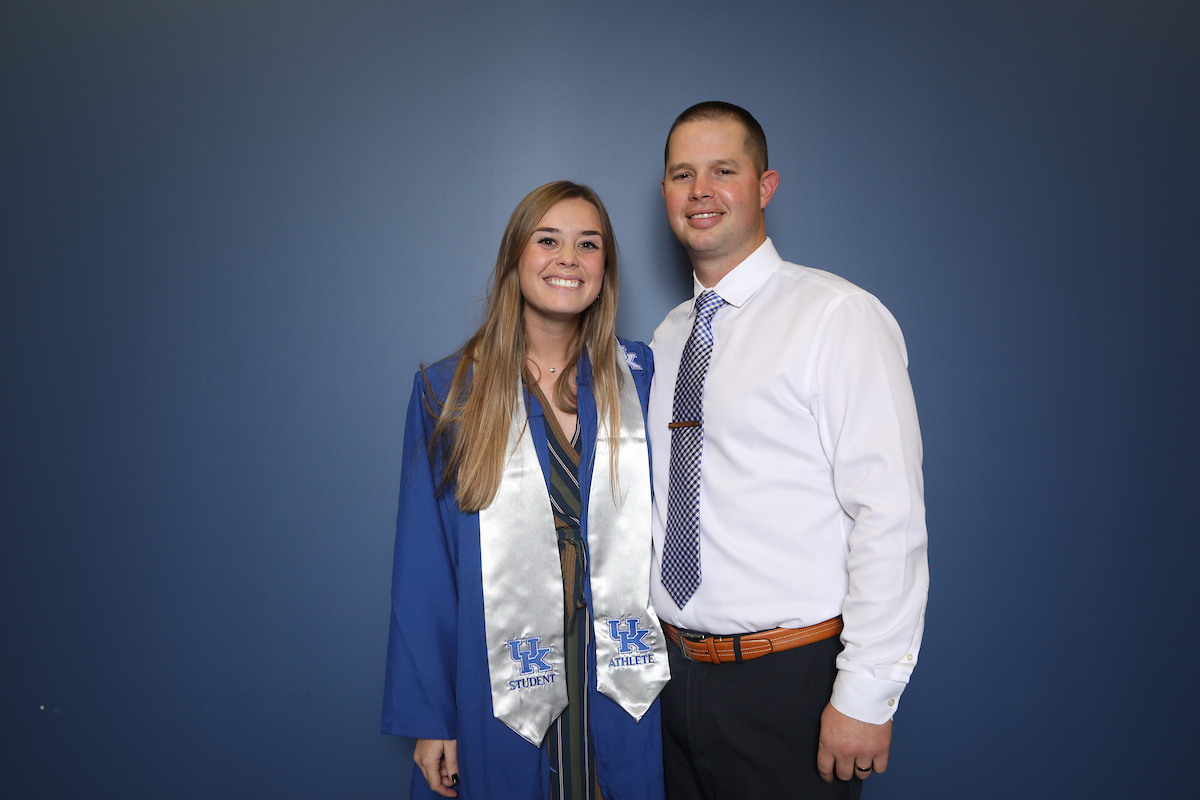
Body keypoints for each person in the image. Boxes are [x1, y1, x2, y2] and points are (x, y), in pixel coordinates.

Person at [648, 102, 929, 799]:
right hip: (671, 681)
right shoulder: (665, 337)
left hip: (790, 685)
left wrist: (866, 695)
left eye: (723, 171)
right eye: (683, 174)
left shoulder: (836, 316)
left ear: (765, 186)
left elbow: (888, 514)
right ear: (666, 196)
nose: (700, 191)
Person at [382, 181, 671, 800]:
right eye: (548, 240)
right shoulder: (449, 393)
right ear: (516, 258)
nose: (568, 258)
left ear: (604, 270)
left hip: (616, 663)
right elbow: (425, 568)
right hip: (501, 666)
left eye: (588, 245)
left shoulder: (641, 380)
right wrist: (433, 720)